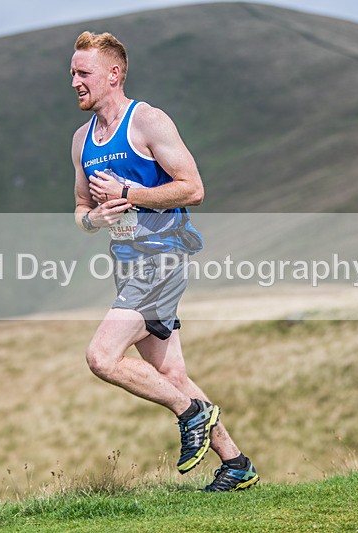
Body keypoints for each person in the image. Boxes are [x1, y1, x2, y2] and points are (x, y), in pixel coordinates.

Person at [70, 31, 258, 492]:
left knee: (101, 357)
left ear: (113, 74)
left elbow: (193, 188)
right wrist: (96, 217)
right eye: (72, 73)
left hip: (163, 261)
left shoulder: (148, 121)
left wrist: (129, 194)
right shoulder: (81, 140)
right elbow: (79, 211)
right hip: (127, 265)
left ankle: (190, 412)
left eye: (83, 73)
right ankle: (236, 465)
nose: (74, 81)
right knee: (171, 373)